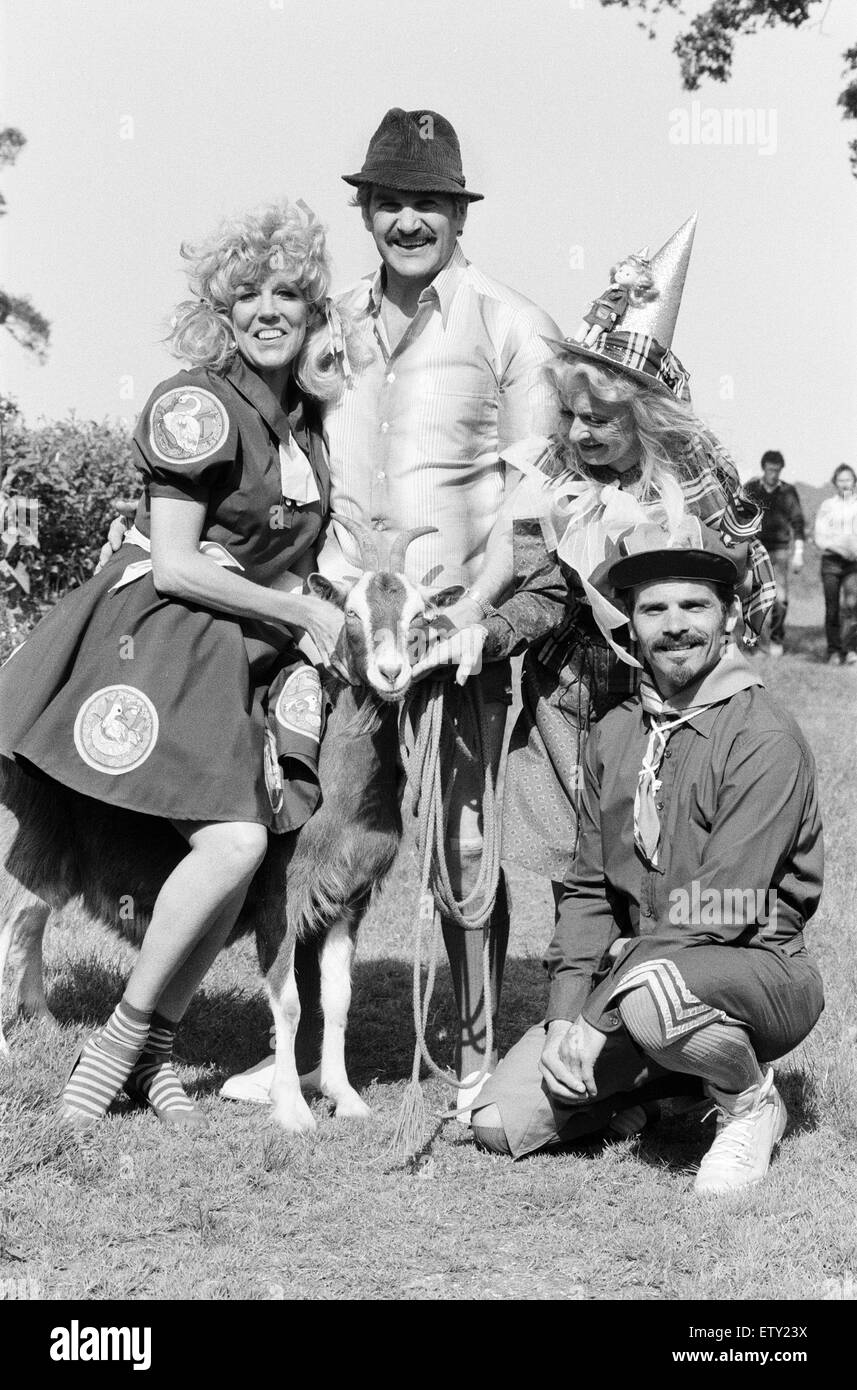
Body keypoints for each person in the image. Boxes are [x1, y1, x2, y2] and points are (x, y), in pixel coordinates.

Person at [220, 108, 562, 1115]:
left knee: (465, 845)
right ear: (364, 209)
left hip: (455, 630)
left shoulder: (510, 324)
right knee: (328, 825)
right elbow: (273, 456)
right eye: (392, 200)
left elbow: (525, 501)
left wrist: (478, 611)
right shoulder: (323, 323)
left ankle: (470, 1061)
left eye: (431, 201)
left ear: (459, 213)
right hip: (335, 625)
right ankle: (301, 1051)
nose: (410, 218)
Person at [0, 200, 352, 1129]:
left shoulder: (297, 421)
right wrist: (301, 609)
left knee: (252, 855)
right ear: (221, 311)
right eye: (249, 293)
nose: (270, 308)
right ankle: (119, 1041)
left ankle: (154, 1051)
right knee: (234, 842)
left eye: (290, 293)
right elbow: (180, 561)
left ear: (314, 311)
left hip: (241, 649)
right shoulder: (197, 403)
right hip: (163, 636)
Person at [414, 216, 775, 918]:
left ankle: (653, 998)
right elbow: (542, 590)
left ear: (644, 419)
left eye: (600, 421)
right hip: (565, 699)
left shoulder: (685, 497)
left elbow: (731, 592)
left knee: (653, 874)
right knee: (574, 881)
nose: (579, 433)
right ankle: (576, 1001)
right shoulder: (562, 481)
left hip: (655, 708)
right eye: (571, 415)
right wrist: (486, 631)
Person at [469, 521, 824, 1195]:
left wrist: (598, 1015)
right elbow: (586, 888)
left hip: (753, 969)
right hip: (639, 976)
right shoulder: (616, 731)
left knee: (652, 998)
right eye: (653, 609)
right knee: (496, 1120)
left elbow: (724, 905)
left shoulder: (760, 735)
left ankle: (749, 1102)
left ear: (727, 620)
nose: (674, 626)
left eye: (694, 606)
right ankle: (667, 1089)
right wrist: (564, 1015)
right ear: (629, 626)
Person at [745, 450, 806, 656]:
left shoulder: (788, 492)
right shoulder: (752, 489)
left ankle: (777, 639)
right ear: (764, 468)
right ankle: (758, 643)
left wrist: (798, 553)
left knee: (780, 598)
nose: (774, 474)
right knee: (756, 596)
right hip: (754, 549)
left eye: (777, 470)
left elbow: (798, 522)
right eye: (770, 469)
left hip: (780, 550)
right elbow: (740, 517)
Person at [814, 463, 857, 667]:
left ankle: (850, 650)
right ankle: (833, 651)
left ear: (854, 481)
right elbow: (820, 537)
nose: (845, 484)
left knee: (851, 605)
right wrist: (841, 548)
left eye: (848, 479)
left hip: (854, 564)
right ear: (835, 483)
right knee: (832, 608)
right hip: (832, 562)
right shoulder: (827, 506)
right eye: (841, 480)